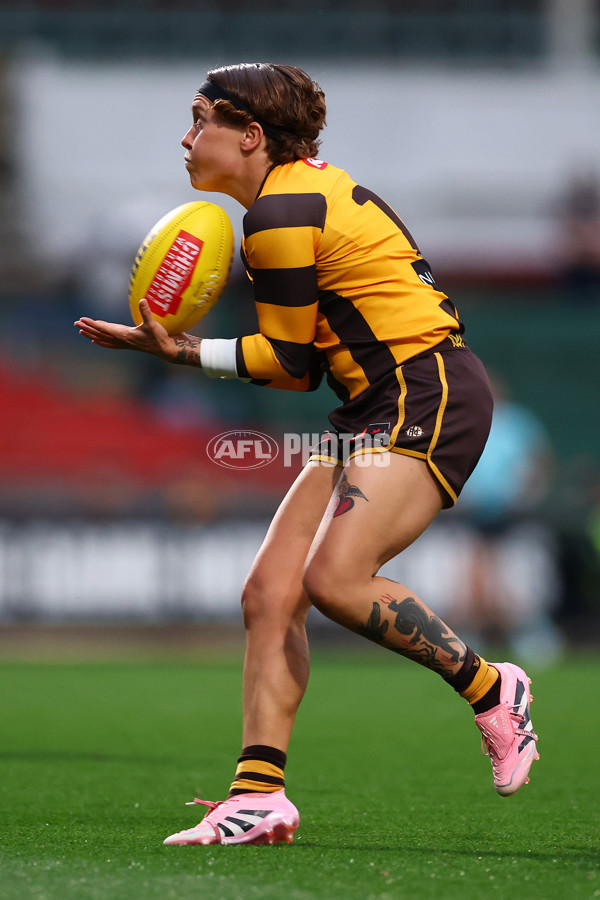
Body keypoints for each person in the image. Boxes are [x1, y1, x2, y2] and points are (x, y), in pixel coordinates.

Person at [75, 63, 538, 847]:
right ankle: (259, 795)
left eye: (201, 119)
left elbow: (288, 364)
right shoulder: (293, 196)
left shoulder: (282, 210)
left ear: (249, 135)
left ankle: (493, 686)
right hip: (378, 399)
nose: (187, 138)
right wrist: (188, 349)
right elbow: (304, 369)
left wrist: (182, 352)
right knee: (269, 593)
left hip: (423, 392)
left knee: (333, 580)